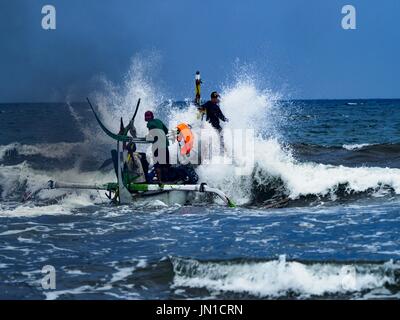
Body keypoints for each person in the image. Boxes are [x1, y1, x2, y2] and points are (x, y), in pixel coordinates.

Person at [144, 111, 170, 181]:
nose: (147, 117)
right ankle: (167, 179)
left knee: (157, 165)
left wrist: (148, 137)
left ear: (151, 116)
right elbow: (166, 131)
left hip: (157, 146)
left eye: (148, 116)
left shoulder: (150, 124)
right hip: (165, 144)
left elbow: (152, 133)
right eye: (146, 116)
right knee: (165, 164)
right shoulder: (158, 121)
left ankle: (160, 181)